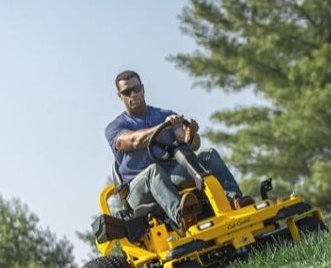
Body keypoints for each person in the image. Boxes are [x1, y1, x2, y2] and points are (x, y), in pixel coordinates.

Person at [104, 70, 253, 229]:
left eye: (136, 89)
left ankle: (235, 200)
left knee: (208, 155)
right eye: (127, 92)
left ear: (143, 89)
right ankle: (182, 218)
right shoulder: (115, 127)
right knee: (153, 170)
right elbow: (133, 141)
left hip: (170, 177)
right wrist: (162, 127)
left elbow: (190, 144)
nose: (133, 94)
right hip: (138, 190)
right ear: (120, 96)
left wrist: (191, 135)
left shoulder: (165, 114)